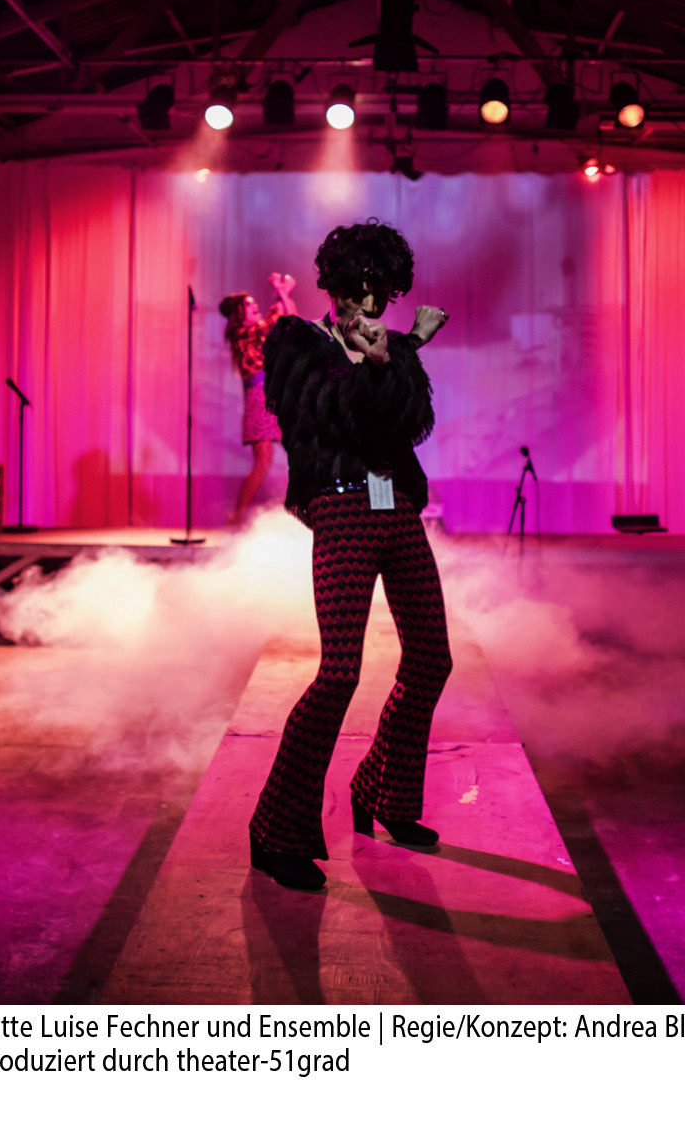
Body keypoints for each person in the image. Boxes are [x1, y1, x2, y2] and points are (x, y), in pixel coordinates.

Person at [247, 221, 451, 891]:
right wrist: (381, 359)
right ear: (333, 286)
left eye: (379, 292)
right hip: (339, 505)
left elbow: (410, 422)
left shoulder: (390, 345)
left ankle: (383, 792)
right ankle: (275, 829)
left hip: (398, 505)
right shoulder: (296, 340)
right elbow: (325, 418)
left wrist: (397, 356)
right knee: (339, 673)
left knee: (432, 658)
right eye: (357, 289)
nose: (367, 304)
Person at [218, 272, 298, 524]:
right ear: (239, 313)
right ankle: (238, 514)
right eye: (249, 305)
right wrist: (282, 292)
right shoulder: (241, 333)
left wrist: (283, 293)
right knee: (263, 463)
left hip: (273, 395)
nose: (255, 307)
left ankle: (304, 506)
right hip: (260, 400)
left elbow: (288, 317)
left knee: (297, 451)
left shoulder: (256, 330)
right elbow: (282, 317)